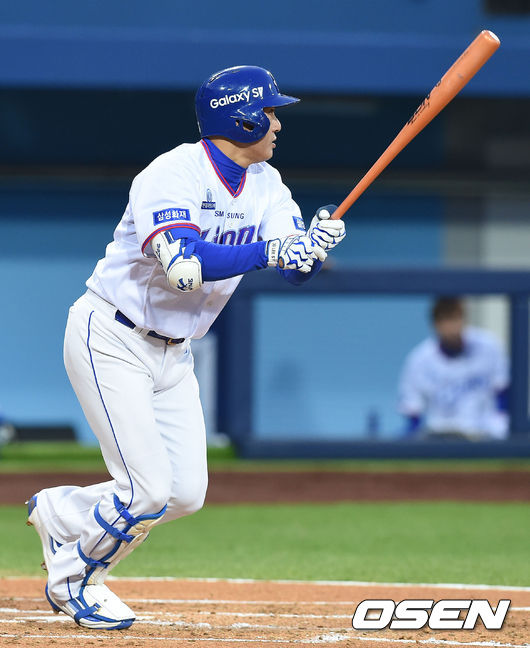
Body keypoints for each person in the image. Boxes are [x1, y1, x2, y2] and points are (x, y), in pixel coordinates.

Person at [26, 65, 346, 630]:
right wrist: (273, 251)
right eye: (270, 112)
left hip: (174, 354)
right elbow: (185, 267)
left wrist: (310, 248)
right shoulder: (172, 173)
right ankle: (75, 578)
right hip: (113, 336)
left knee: (184, 493)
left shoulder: (268, 183)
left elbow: (293, 270)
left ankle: (63, 512)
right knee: (147, 490)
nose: (277, 124)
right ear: (241, 118)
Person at [398, 296, 509, 441]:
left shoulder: (489, 347)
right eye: (446, 320)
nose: (452, 327)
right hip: (438, 436)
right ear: (435, 324)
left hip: (484, 434)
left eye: (456, 318)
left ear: (464, 319)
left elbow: (504, 395)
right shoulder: (419, 359)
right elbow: (413, 413)